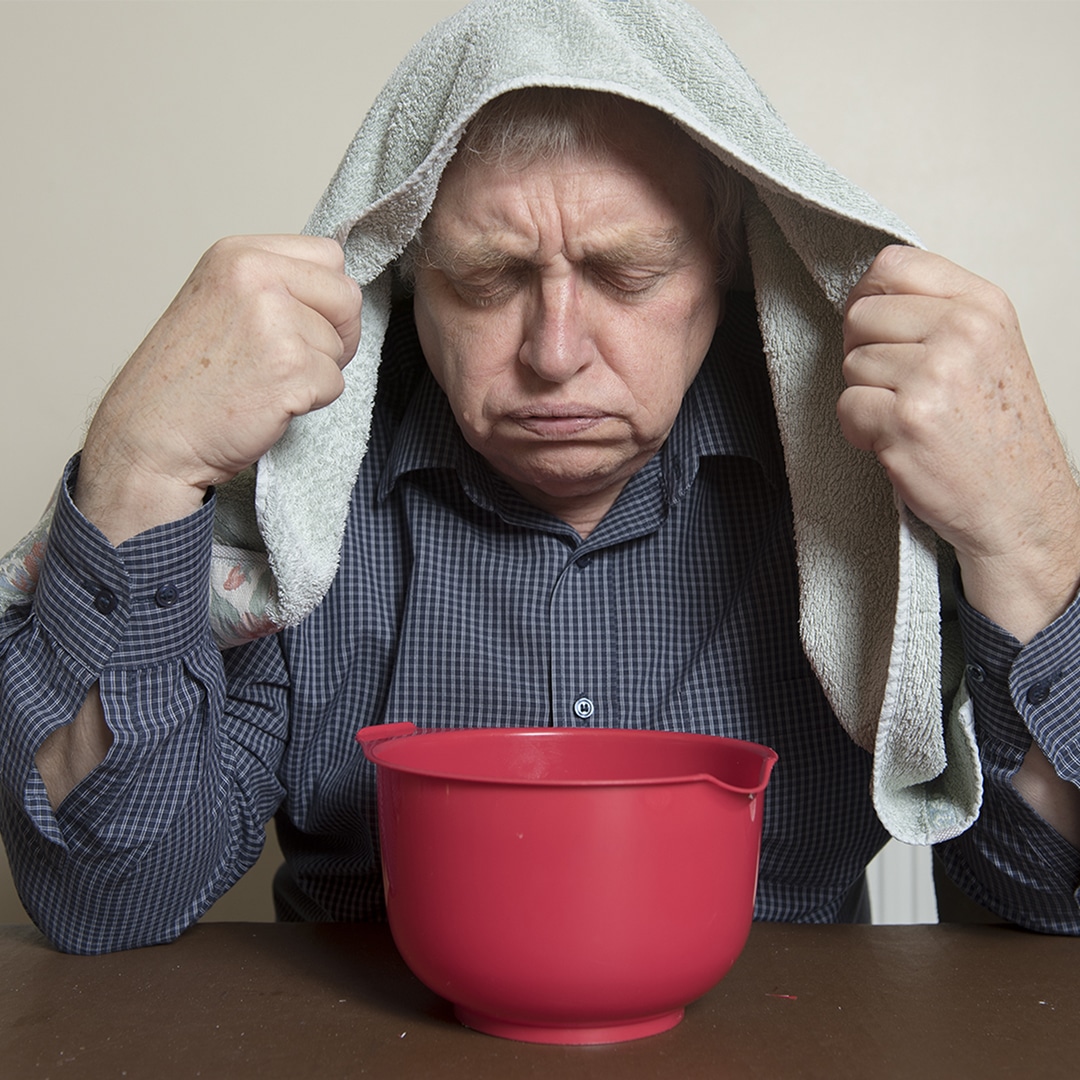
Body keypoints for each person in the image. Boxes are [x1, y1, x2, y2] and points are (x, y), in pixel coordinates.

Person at [2, 0, 1079, 953]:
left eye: (629, 272)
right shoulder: (298, 520)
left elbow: (1054, 898)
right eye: (487, 277)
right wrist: (138, 467)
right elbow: (111, 900)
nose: (555, 351)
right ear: (407, 277)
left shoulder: (859, 498)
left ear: (734, 268)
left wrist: (1028, 536)